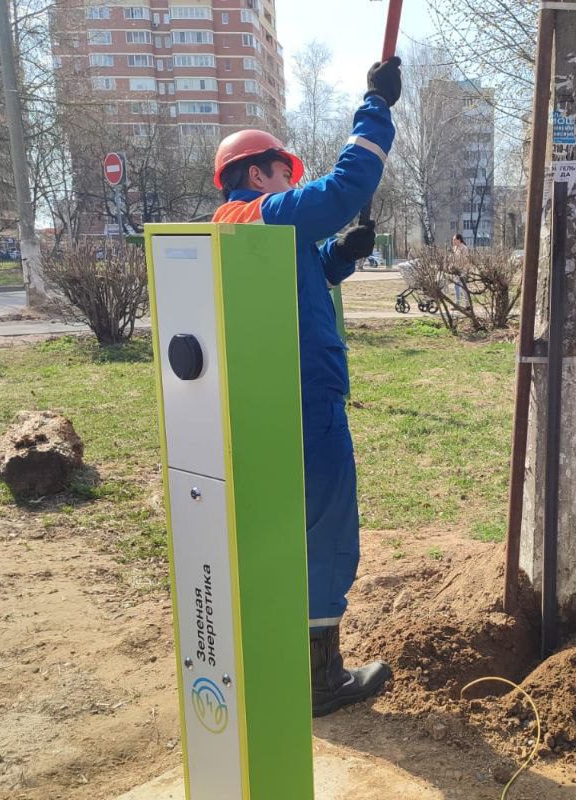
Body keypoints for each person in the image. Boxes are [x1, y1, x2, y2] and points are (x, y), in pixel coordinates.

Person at [210, 57, 402, 713]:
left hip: (270, 405)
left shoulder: (239, 234)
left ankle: (276, 659)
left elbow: (297, 282)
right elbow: (348, 185)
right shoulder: (255, 216)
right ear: (257, 175)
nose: (289, 182)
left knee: (284, 534)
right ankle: (320, 680)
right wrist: (376, 105)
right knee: (325, 536)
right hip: (305, 407)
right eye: (283, 174)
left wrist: (340, 258)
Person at [450, 232, 470, 305]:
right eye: (453, 240)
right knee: (456, 286)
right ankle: (457, 302)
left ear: (459, 240)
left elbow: (465, 260)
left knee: (463, 287)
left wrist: (463, 269)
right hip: (456, 270)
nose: (453, 241)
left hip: (463, 270)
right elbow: (454, 258)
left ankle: (467, 304)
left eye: (454, 239)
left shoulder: (464, 248)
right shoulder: (454, 248)